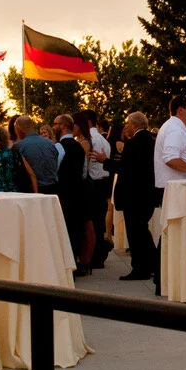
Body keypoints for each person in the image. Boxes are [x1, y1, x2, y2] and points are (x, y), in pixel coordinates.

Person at [114, 111, 159, 281]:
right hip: (147, 193)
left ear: (134, 125)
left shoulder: (134, 143)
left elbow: (125, 169)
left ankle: (140, 268)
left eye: (127, 124)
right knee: (142, 231)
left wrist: (105, 161)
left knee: (136, 233)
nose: (126, 127)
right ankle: (153, 265)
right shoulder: (152, 141)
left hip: (133, 195)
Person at [53, 114, 90, 275]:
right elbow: (83, 172)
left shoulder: (59, 147)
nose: (53, 127)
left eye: (55, 124)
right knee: (76, 229)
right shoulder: (79, 147)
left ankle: (65, 265)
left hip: (63, 194)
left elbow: (55, 171)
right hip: (78, 193)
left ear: (62, 126)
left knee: (64, 229)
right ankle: (75, 262)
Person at [77, 110, 114, 268]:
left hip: (94, 182)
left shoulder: (90, 139)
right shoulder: (102, 138)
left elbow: (87, 165)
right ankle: (99, 254)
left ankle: (96, 255)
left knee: (94, 222)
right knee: (98, 220)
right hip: (103, 181)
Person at [0, 123, 37, 193]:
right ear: (5, 138)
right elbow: (32, 174)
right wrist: (35, 195)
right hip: (13, 196)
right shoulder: (14, 154)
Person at [14, 116, 59, 195]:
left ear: (19, 130)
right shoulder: (50, 144)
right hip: (53, 190)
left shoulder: (19, 146)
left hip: (32, 191)